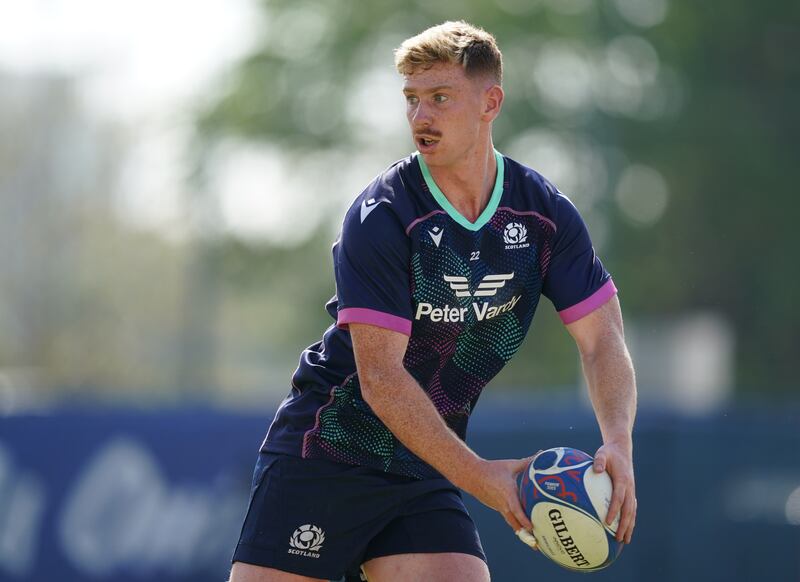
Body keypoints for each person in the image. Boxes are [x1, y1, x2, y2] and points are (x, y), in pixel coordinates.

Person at [229, 20, 637, 582]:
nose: (421, 117)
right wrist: (482, 478)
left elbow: (602, 340)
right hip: (326, 453)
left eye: (440, 98)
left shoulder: (543, 216)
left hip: (423, 463)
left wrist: (618, 441)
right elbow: (381, 380)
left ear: (490, 102)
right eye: (412, 100)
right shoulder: (384, 216)